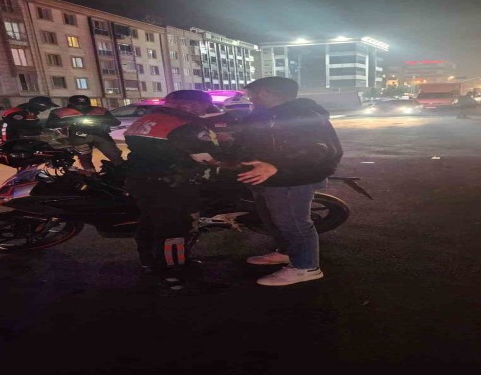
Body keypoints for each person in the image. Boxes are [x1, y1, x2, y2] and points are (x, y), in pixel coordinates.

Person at [233, 77, 343, 286]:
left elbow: (318, 149)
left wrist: (276, 165)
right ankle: (286, 252)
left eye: (252, 93)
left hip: (292, 179)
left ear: (265, 93)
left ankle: (306, 268)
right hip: (264, 178)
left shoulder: (303, 115)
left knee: (294, 224)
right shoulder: (262, 115)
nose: (250, 98)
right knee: (272, 221)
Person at [123, 90, 222, 295]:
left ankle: (149, 263)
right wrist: (234, 162)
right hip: (171, 184)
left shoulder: (147, 119)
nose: (205, 110)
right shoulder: (186, 124)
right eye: (205, 105)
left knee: (150, 223)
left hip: (140, 181)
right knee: (176, 228)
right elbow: (207, 156)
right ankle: (174, 273)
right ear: (191, 105)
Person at [45, 95, 123, 172]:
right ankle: (91, 175)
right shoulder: (60, 112)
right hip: (79, 136)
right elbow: (50, 124)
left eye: (84, 105)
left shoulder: (100, 110)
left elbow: (116, 122)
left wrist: (101, 121)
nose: (81, 107)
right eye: (78, 105)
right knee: (85, 158)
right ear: (71, 104)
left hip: (100, 135)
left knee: (115, 156)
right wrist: (71, 122)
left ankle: (121, 172)